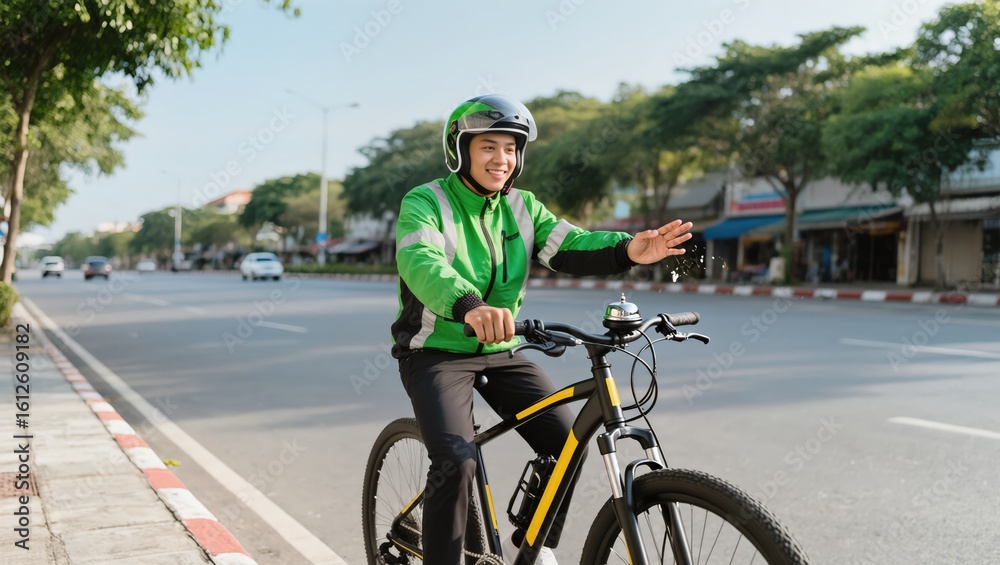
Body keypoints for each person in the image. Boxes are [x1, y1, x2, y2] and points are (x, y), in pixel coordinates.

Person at [391, 94, 692, 565]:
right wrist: (468, 304)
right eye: (488, 146)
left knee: (566, 443)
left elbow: (570, 245)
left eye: (511, 148)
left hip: (503, 347)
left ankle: (534, 545)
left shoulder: (523, 207)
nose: (501, 159)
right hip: (437, 351)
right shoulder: (426, 201)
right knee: (456, 459)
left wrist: (629, 249)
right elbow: (420, 260)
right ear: (461, 149)